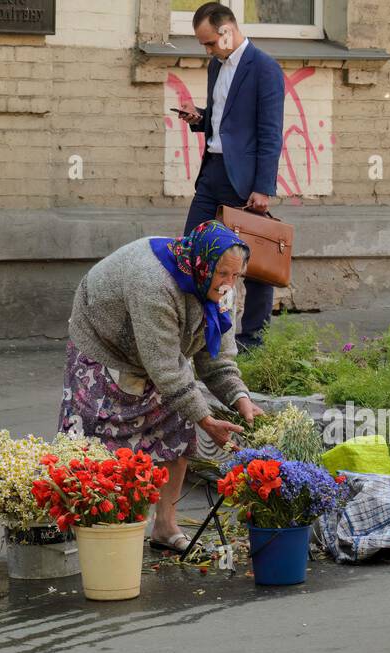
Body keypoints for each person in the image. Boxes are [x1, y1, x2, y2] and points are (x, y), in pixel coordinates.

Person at [59, 221, 264, 553]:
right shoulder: (153, 282)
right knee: (96, 441)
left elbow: (217, 360)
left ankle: (165, 527)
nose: (229, 284)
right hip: (105, 342)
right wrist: (207, 420)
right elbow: (165, 367)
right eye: (222, 274)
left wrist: (241, 399)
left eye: (236, 275)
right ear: (202, 264)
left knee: (178, 426)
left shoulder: (222, 291)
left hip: (159, 352)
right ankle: (89, 528)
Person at [173, 3, 285, 351]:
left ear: (226, 31)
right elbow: (224, 123)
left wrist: (263, 187)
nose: (206, 50)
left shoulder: (264, 68)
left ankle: (252, 339)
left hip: (245, 181)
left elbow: (269, 132)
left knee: (257, 260)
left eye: (208, 42)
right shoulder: (215, 67)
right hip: (213, 173)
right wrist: (199, 119)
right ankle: (194, 334)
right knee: (190, 251)